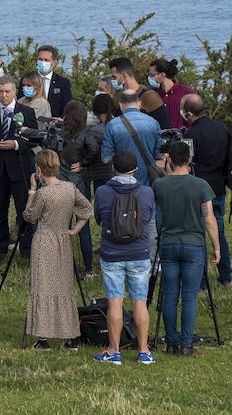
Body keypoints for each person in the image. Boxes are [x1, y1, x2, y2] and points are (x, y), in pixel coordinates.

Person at [151, 141, 220, 356]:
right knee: (189, 295)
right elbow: (209, 219)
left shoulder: (160, 185)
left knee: (171, 294)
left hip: (169, 243)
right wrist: (216, 246)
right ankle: (186, 344)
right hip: (193, 244)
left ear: (169, 159)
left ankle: (171, 343)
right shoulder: (201, 186)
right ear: (190, 160)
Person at [24, 148, 92, 350]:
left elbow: (29, 216)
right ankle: (70, 335)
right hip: (63, 240)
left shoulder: (43, 194)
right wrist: (75, 230)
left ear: (39, 169)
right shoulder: (69, 188)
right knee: (64, 286)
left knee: (42, 286)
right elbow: (88, 209)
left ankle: (43, 337)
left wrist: (31, 190)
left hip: (44, 241)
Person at [92, 150, 156, 365]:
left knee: (115, 303)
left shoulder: (103, 191)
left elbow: (100, 220)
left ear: (113, 168)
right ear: (136, 170)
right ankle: (144, 351)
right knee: (140, 302)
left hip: (112, 253)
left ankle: (113, 351)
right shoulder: (146, 192)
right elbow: (147, 219)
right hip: (139, 253)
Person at [181, 93, 232, 288]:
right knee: (219, 231)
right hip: (218, 186)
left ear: (189, 114)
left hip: (198, 188)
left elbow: (186, 163)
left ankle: (202, 281)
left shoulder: (191, 135)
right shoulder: (221, 128)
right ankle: (226, 276)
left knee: (198, 234)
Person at [0, 75, 36, 256]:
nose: (4, 95)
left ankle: (26, 248)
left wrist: (15, 144)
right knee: (0, 210)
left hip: (20, 167)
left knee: (24, 208)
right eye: (0, 92)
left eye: (7, 91)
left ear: (14, 92)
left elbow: (32, 139)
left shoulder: (26, 112)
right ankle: (1, 248)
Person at [58, 100, 103, 276]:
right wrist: (83, 163)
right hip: (80, 182)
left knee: (63, 224)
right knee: (83, 225)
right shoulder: (86, 134)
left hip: (62, 180)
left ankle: (64, 268)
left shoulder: (60, 134)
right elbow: (94, 149)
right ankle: (88, 269)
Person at [149, 58, 194, 132]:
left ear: (163, 75)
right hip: (158, 140)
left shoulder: (186, 93)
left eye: (152, 75)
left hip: (180, 140)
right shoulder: (152, 93)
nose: (150, 78)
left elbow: (192, 121)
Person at [36, 45, 73, 119]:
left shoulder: (63, 83)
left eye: (46, 60)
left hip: (53, 125)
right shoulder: (27, 80)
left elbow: (67, 108)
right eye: (40, 59)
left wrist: (59, 120)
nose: (43, 62)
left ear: (54, 63)